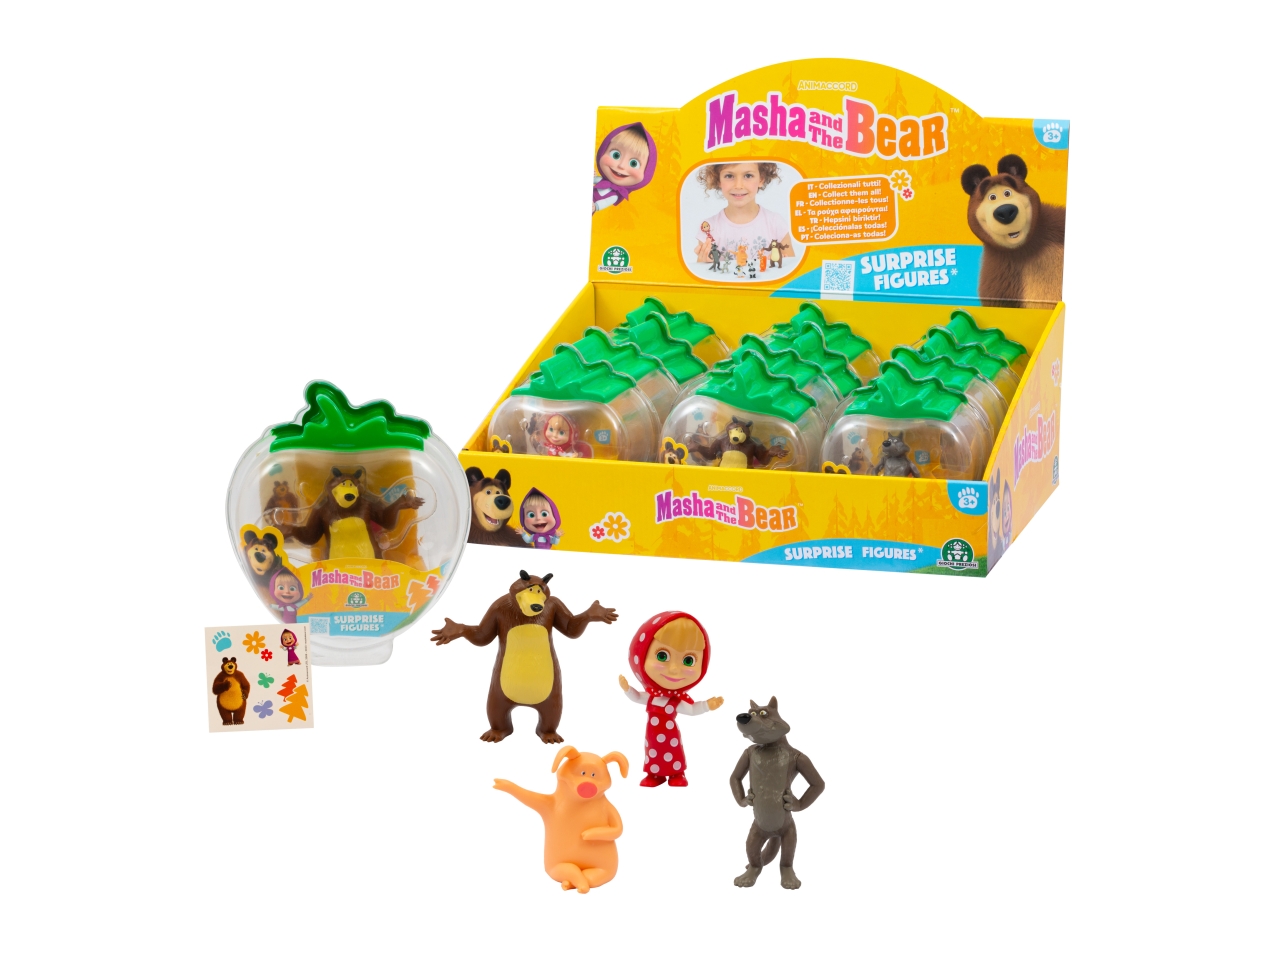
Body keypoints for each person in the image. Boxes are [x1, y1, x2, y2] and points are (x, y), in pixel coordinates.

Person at [693, 162, 795, 275]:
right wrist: (702, 262)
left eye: (748, 176)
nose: (738, 185)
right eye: (729, 176)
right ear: (718, 180)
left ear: (761, 179)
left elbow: (791, 270)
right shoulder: (709, 227)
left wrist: (779, 265)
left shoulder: (776, 223)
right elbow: (703, 274)